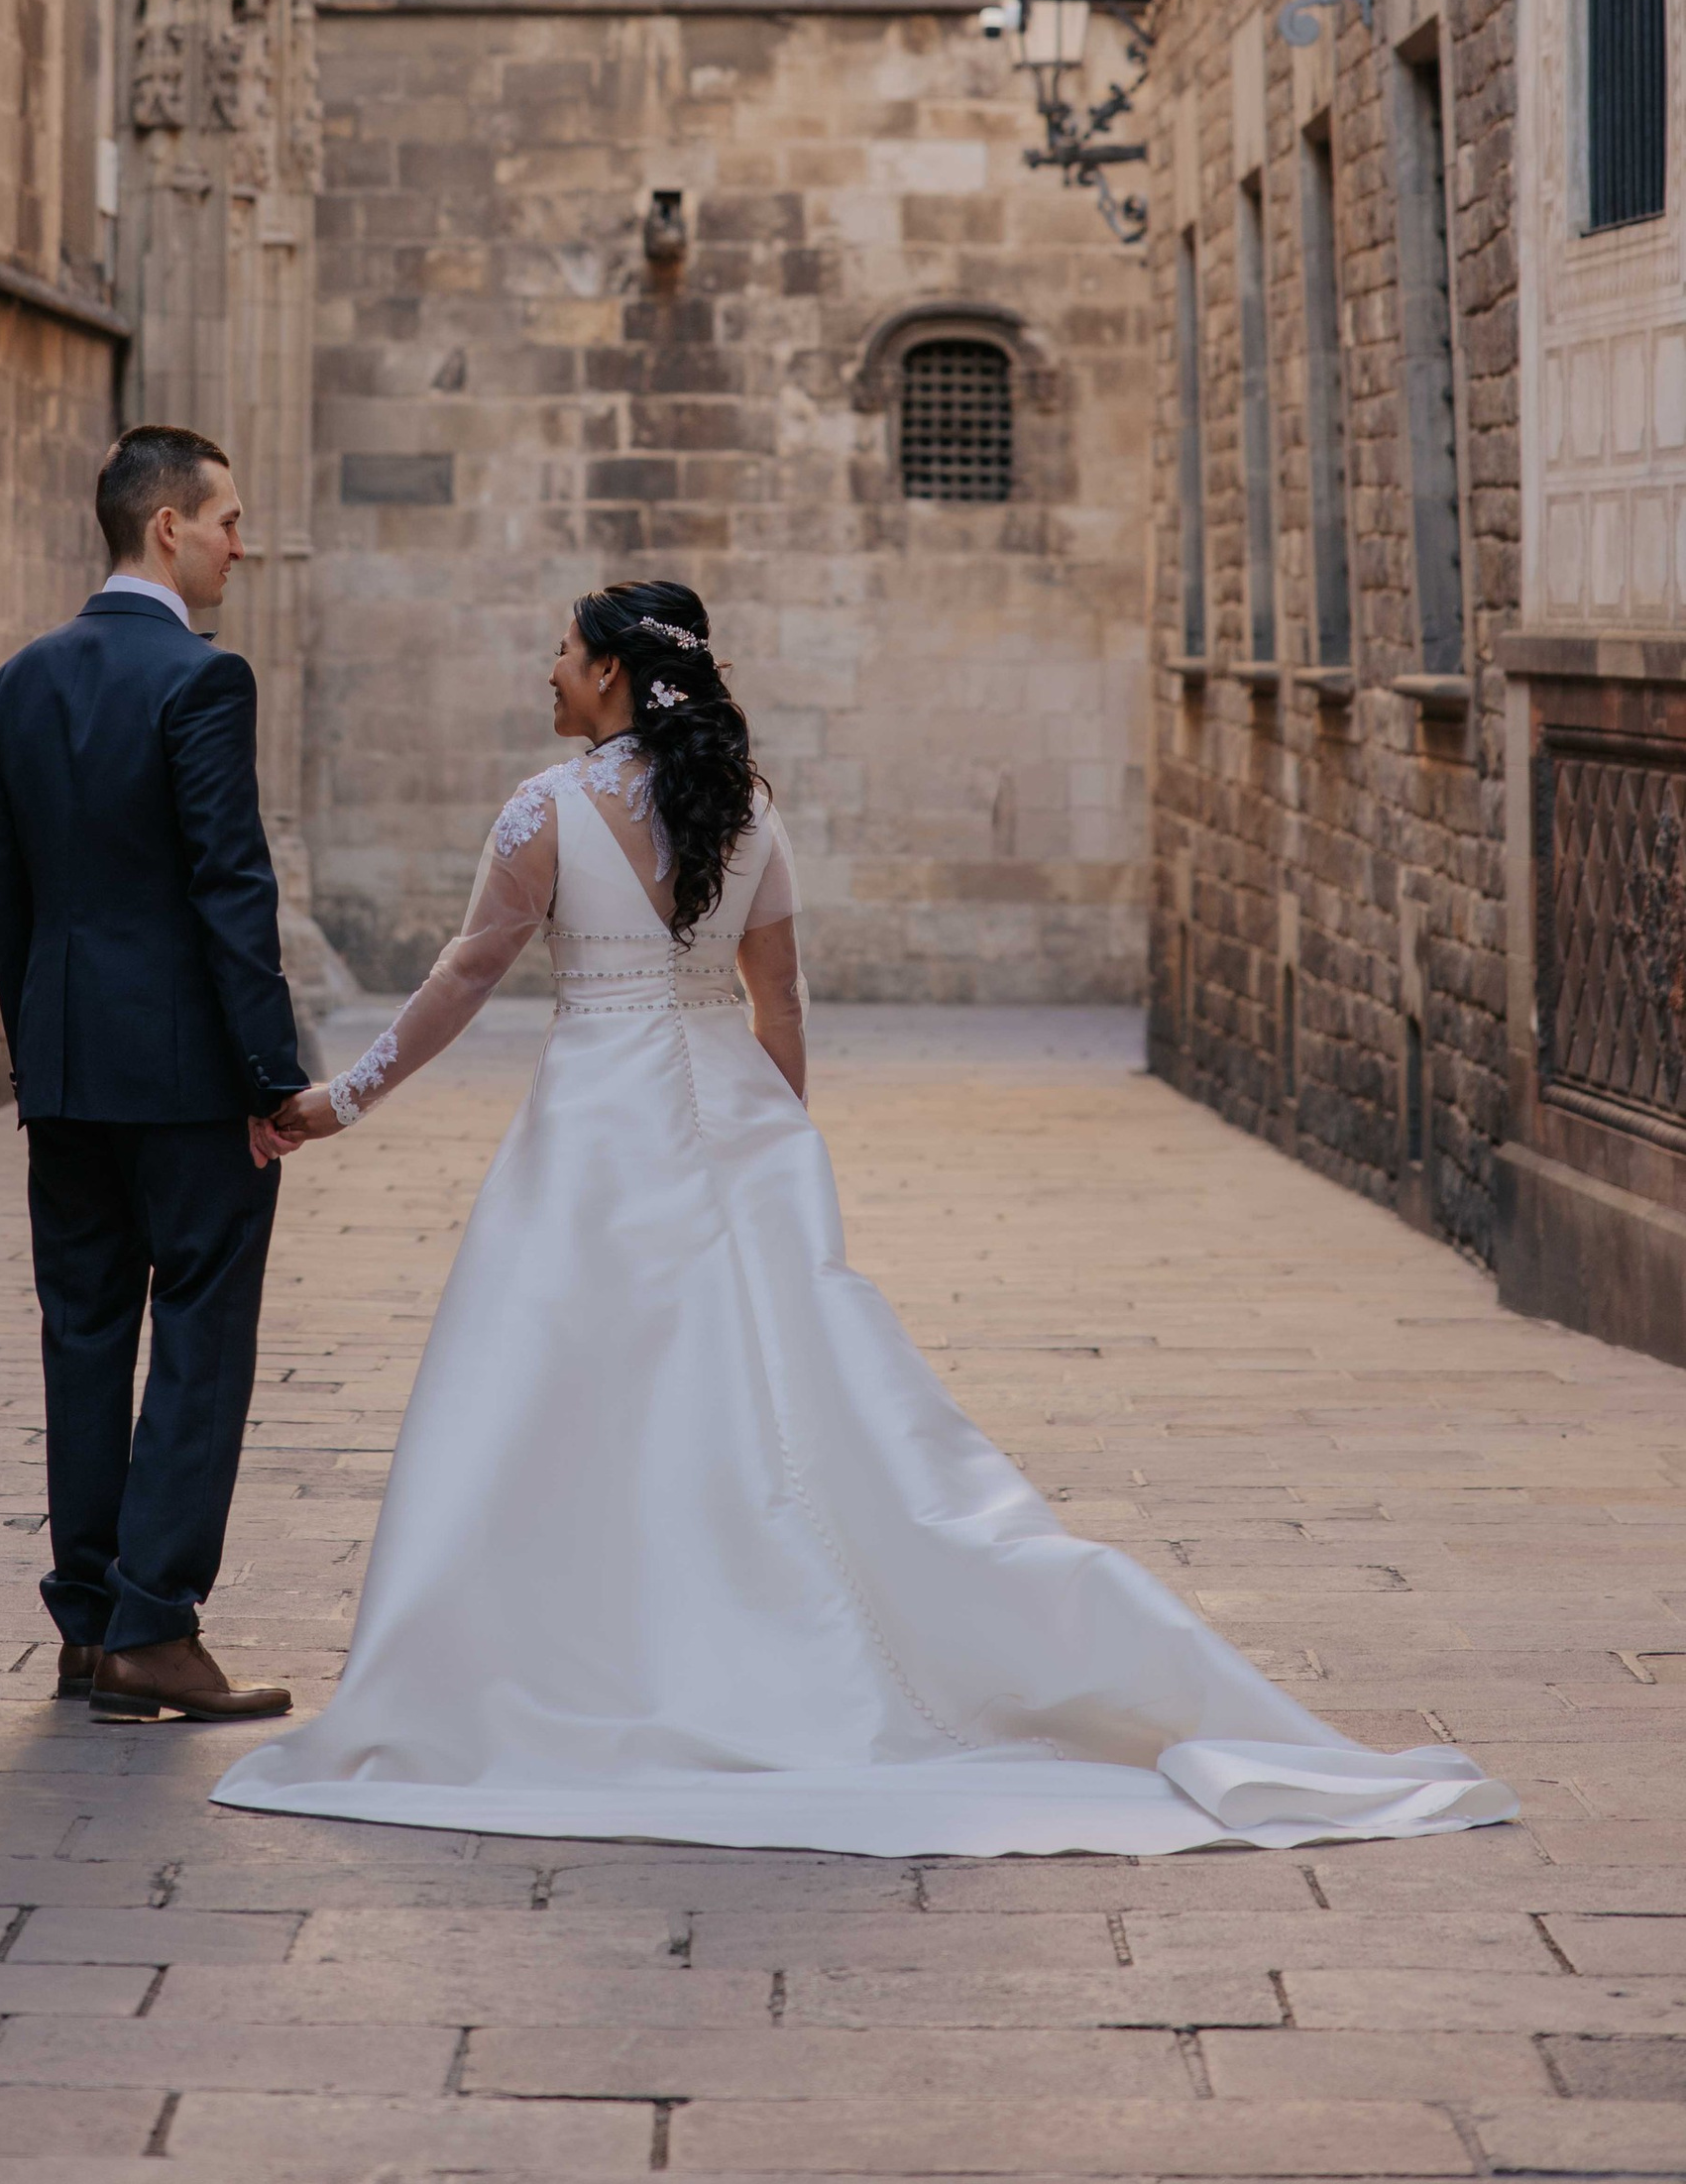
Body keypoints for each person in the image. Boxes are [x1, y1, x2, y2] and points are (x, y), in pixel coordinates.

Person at [212, 580, 1513, 1855]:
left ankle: (592, 1658)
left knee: (571, 1390)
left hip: (596, 1140)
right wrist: (776, 1147)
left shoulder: (546, 810)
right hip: (730, 1120)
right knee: (767, 1400)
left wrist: (340, 1101)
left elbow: (465, 975)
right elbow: (779, 1006)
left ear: (611, 671)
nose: (546, 673)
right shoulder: (746, 805)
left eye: (558, 651)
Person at [0, 425, 310, 1722]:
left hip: (64, 1069)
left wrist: (38, 1046)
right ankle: (155, 1622)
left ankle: (87, 1619)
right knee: (202, 1326)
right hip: (183, 1078)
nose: (246, 539)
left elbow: (10, 896)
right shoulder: (201, 680)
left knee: (85, 1327)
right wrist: (272, 1073)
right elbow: (233, 886)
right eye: (229, 516)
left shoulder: (17, 682)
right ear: (167, 526)